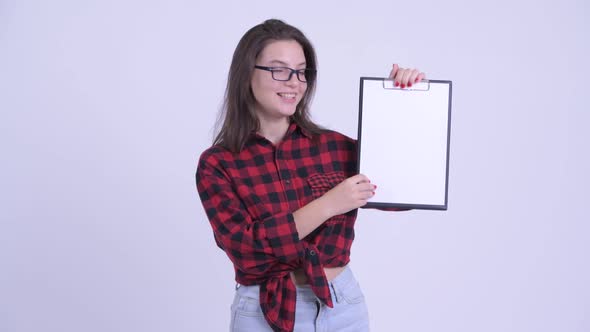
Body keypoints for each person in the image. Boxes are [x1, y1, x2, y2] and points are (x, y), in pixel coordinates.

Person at [196, 19, 425, 332]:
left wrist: (397, 102)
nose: (294, 82)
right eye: (280, 70)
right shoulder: (218, 164)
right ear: (247, 73)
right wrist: (330, 204)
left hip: (342, 305)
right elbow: (246, 250)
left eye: (302, 71)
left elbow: (405, 191)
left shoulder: (334, 148)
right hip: (264, 311)